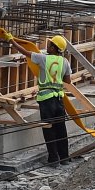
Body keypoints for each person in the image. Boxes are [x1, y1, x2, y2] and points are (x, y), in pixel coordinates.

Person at [26, 34, 72, 164]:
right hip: (59, 100)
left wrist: (12, 40)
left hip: (46, 100)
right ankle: (64, 158)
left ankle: (53, 159)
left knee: (48, 129)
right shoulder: (65, 62)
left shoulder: (43, 59)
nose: (47, 46)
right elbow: (68, 81)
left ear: (53, 48)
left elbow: (25, 52)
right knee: (61, 129)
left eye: (50, 44)